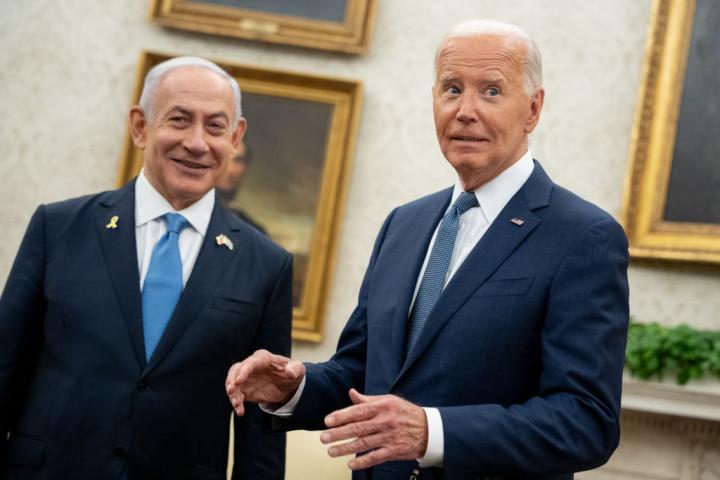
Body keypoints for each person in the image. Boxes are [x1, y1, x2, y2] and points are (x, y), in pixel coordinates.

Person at [226, 19, 630, 480]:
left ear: (533, 109)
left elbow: (586, 421)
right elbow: (361, 376)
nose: (465, 110)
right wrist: (295, 386)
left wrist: (433, 433)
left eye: (492, 91)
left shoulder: (583, 237)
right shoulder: (404, 223)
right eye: (451, 89)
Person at [0, 57, 292, 479]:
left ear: (236, 137)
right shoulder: (58, 227)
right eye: (178, 120)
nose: (196, 142)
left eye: (215, 126)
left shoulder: (267, 264)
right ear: (140, 126)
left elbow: (263, 429)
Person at [217, 141, 266, 234]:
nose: (231, 170)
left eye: (238, 161)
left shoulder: (253, 232)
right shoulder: (185, 217)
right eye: (224, 158)